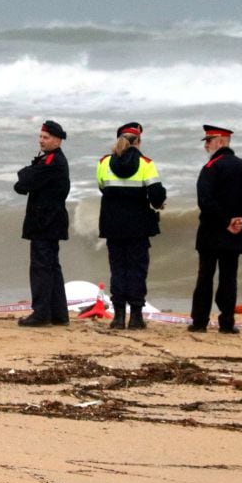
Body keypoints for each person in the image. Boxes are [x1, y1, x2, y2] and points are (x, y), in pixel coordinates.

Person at [189, 124, 242, 334]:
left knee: (205, 276)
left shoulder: (211, 168)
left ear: (220, 142)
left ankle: (199, 322)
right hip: (236, 234)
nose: (206, 146)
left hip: (212, 233)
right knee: (229, 278)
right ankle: (227, 323)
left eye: (209, 141)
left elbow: (205, 201)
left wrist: (226, 222)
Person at [96, 122, 166, 330]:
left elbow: (102, 188)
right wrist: (158, 202)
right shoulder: (146, 164)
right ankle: (136, 317)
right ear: (139, 141)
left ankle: (118, 317)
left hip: (113, 226)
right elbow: (156, 195)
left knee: (117, 270)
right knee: (137, 270)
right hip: (138, 227)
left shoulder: (104, 163)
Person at [14, 120, 71, 327]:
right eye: (40, 137)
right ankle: (58, 313)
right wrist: (27, 174)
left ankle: (41, 313)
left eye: (46, 138)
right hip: (49, 221)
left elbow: (24, 181)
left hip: (45, 222)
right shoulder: (49, 160)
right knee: (51, 267)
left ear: (58, 140)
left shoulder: (52, 161)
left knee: (41, 267)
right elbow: (22, 185)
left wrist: (26, 173)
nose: (41, 141)